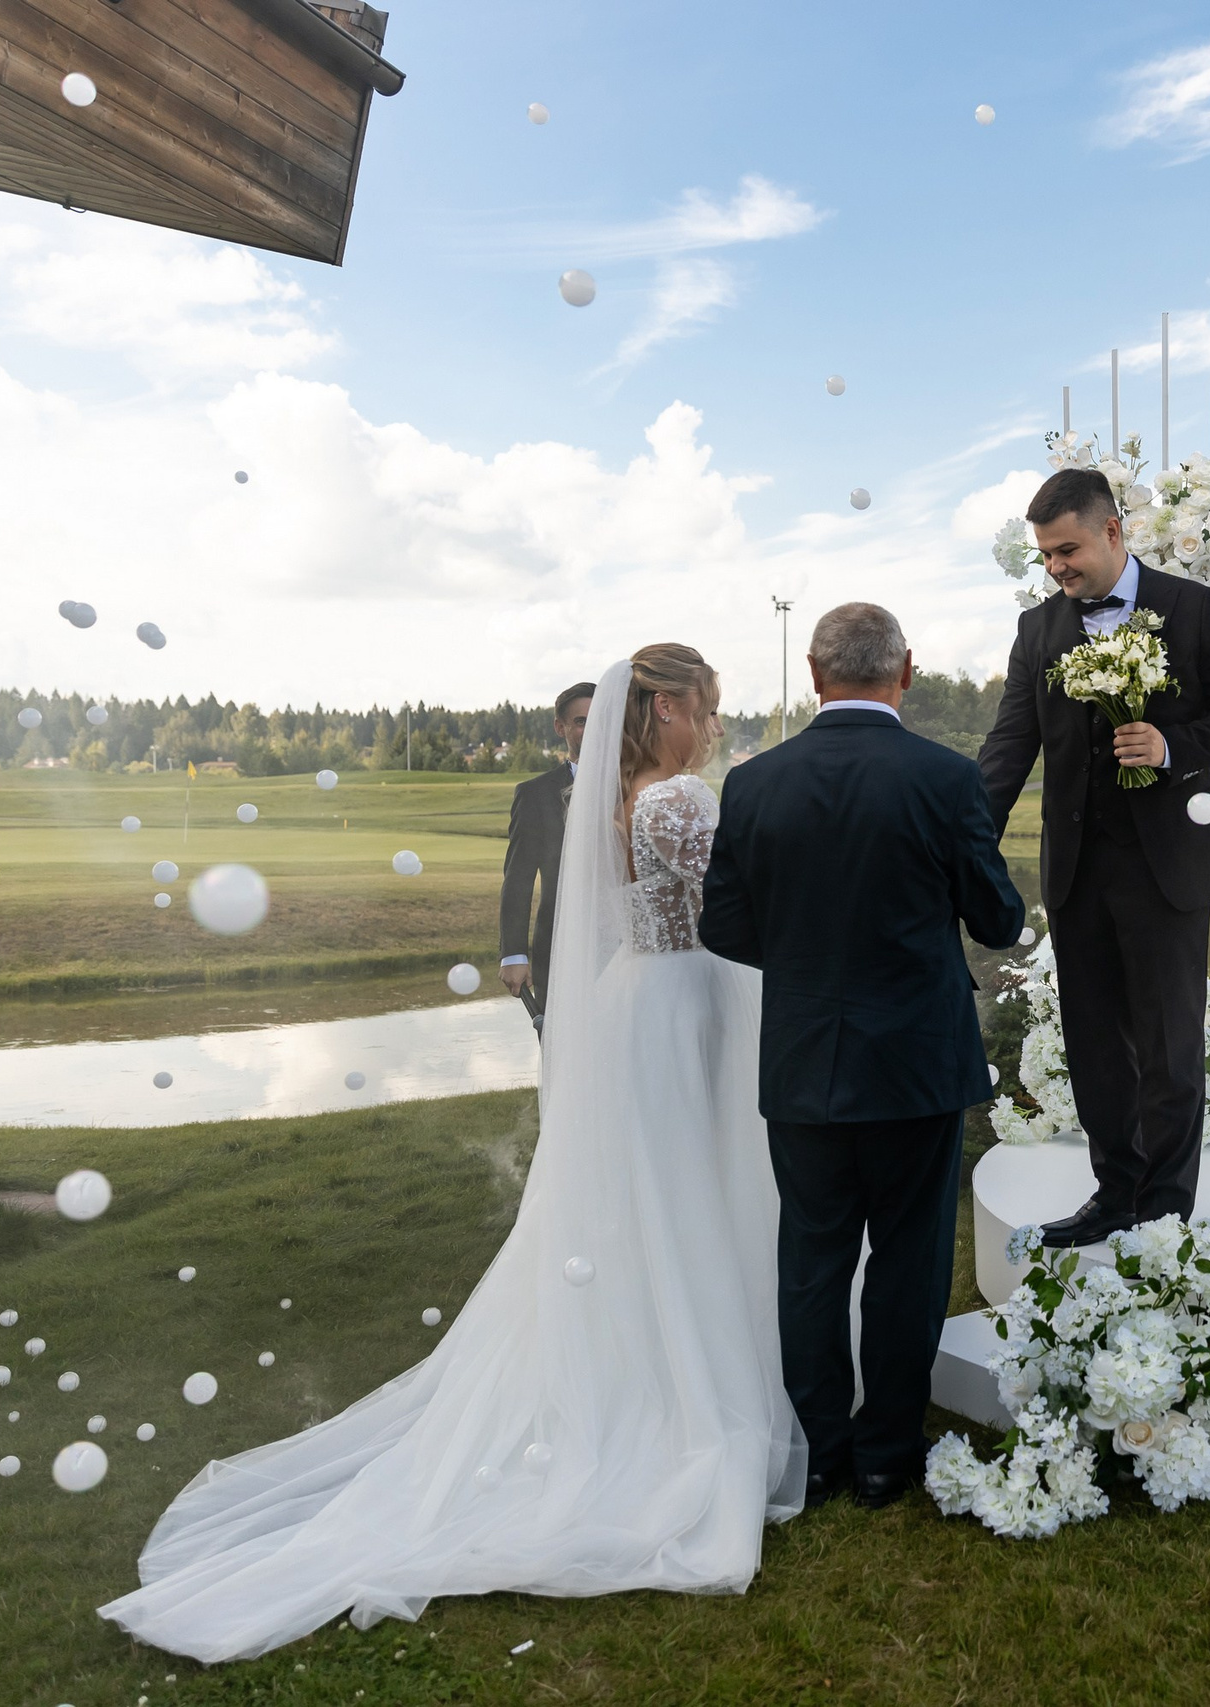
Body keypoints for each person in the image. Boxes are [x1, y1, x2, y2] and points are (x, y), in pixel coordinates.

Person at [100, 646, 803, 1662]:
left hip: (634, 1001)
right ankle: (701, 1383)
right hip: (692, 995)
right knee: (697, 1184)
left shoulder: (614, 796)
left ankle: (657, 1351)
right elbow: (733, 912)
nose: (718, 722)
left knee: (651, 1194)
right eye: (709, 705)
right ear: (670, 709)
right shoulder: (682, 799)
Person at [702, 602, 1024, 1510]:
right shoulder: (945, 777)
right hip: (918, 1064)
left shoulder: (754, 782)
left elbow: (723, 923)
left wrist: (810, 965)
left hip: (804, 1058)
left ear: (813, 673)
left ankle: (822, 1450)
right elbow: (998, 918)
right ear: (907, 670)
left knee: (811, 1261)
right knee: (909, 1261)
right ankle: (887, 1454)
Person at [977, 469, 1210, 1248]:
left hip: (1169, 867)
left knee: (1170, 1045)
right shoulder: (1039, 630)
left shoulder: (1193, 608)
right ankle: (1113, 1194)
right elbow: (1010, 745)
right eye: (1045, 555)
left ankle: (1165, 1213)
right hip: (1076, 868)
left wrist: (1173, 746)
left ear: (1112, 531)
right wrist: (961, 830)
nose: (1056, 568)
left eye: (1066, 549)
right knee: (1094, 1041)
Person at [499, 681, 595, 1020]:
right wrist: (513, 954)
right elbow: (518, 878)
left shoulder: (641, 785)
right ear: (561, 727)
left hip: (629, 949)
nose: (593, 727)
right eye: (582, 721)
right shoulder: (535, 794)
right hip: (557, 946)